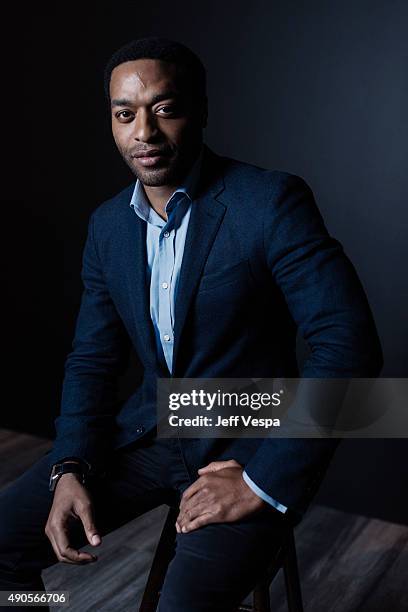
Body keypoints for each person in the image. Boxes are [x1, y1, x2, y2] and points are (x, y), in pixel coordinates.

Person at [0, 37, 383, 611]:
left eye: (165, 109)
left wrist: (260, 480)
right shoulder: (107, 227)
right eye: (125, 114)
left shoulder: (269, 202)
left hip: (246, 445)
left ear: (199, 111)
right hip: (148, 435)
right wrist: (69, 464)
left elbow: (350, 347)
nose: (144, 134)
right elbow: (93, 360)